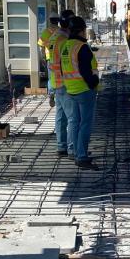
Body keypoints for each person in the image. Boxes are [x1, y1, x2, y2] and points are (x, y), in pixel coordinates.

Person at [60, 17, 100, 169]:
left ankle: (77, 153)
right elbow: (85, 71)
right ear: (82, 30)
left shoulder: (66, 46)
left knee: (75, 123)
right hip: (84, 90)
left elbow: (63, 69)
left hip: (70, 90)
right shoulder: (82, 47)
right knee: (85, 124)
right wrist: (94, 83)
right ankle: (82, 157)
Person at [50, 12, 73, 156]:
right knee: (72, 117)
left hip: (55, 80)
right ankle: (72, 149)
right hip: (65, 82)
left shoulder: (54, 36)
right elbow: (67, 62)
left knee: (60, 116)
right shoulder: (64, 40)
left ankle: (61, 146)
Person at [39, 16, 63, 107]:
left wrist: (43, 58)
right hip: (60, 58)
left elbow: (41, 46)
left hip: (50, 58)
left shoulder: (46, 32)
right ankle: (59, 96)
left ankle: (51, 93)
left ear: (50, 21)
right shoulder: (61, 32)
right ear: (58, 21)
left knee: (51, 77)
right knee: (60, 76)